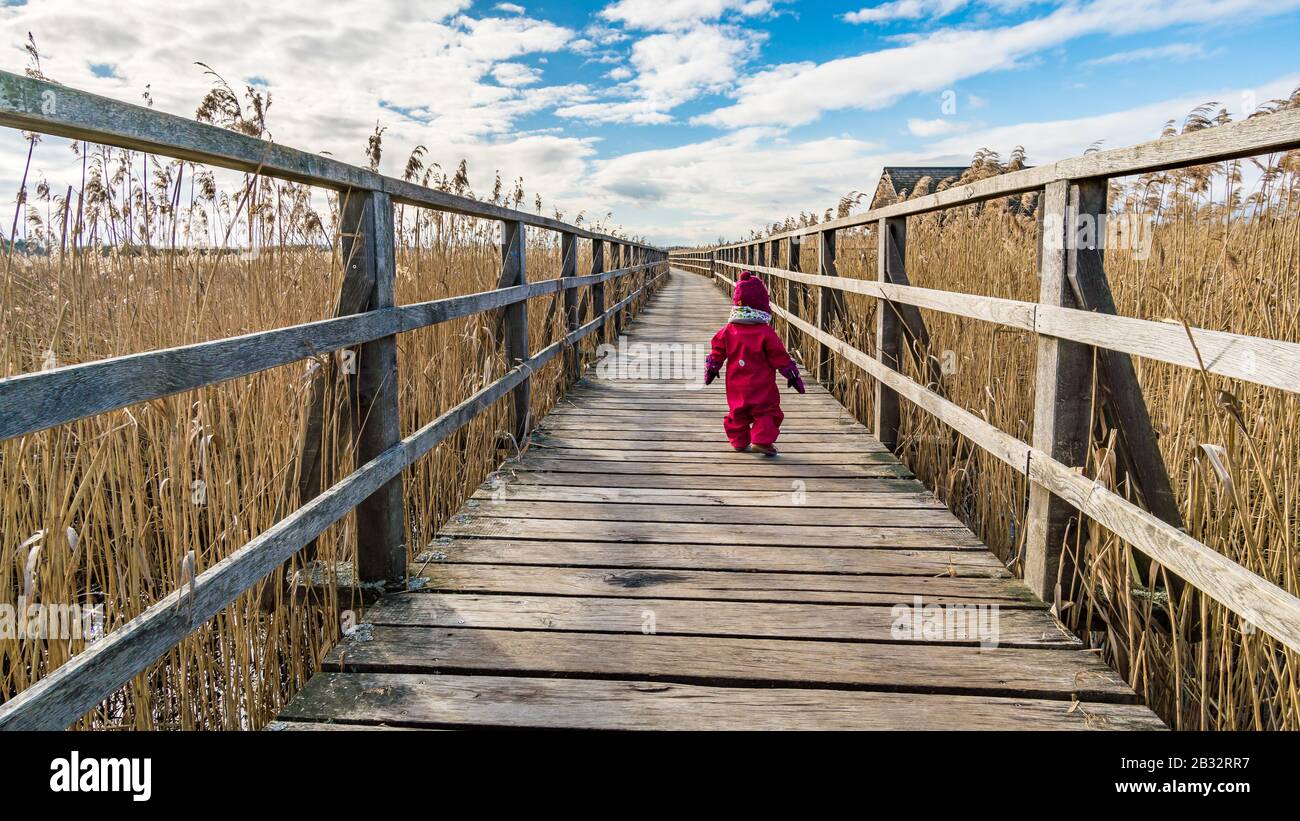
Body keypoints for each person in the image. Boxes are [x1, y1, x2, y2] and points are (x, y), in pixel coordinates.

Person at [703, 271, 805, 455]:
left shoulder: (728, 330)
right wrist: (791, 374)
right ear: (763, 304)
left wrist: (712, 367)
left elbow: (717, 350)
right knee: (768, 412)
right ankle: (761, 440)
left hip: (736, 385)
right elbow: (779, 356)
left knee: (738, 412)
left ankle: (739, 441)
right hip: (761, 386)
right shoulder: (765, 333)